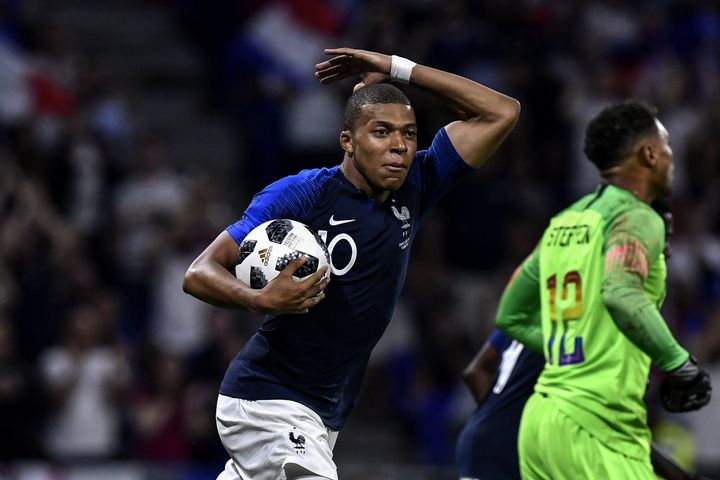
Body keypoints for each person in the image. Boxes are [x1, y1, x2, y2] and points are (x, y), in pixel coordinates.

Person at [183, 47, 520, 480]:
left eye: (410, 133)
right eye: (381, 132)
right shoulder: (304, 194)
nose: (399, 146)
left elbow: (501, 112)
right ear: (348, 141)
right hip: (268, 399)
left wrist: (398, 69)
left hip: (323, 412)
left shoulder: (416, 184)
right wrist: (258, 297)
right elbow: (199, 272)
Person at [496, 100, 712, 479]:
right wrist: (681, 366)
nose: (670, 155)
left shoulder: (564, 220)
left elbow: (510, 315)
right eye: (665, 146)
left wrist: (575, 345)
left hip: (541, 425)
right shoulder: (636, 215)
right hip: (598, 428)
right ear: (648, 153)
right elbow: (621, 292)